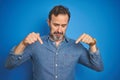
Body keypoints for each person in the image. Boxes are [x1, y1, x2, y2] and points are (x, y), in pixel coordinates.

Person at [5, 5, 103, 80]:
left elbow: (98, 67)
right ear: (48, 22)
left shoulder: (76, 46)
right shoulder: (35, 44)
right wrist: (23, 43)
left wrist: (92, 45)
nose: (59, 30)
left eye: (63, 25)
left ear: (67, 24)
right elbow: (9, 65)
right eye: (56, 24)